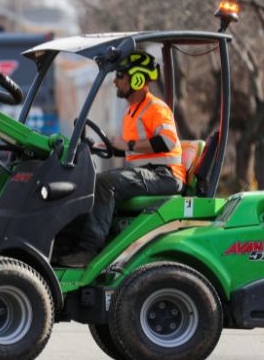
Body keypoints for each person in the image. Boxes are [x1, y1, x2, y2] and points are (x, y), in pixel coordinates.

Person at [58, 51, 185, 267]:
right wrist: (102, 147)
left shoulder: (156, 108)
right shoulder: (132, 111)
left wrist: (129, 145)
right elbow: (132, 151)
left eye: (120, 76)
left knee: (106, 183)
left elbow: (168, 142)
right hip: (149, 173)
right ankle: (65, 245)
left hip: (166, 175)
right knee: (88, 183)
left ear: (136, 78)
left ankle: (88, 251)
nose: (115, 81)